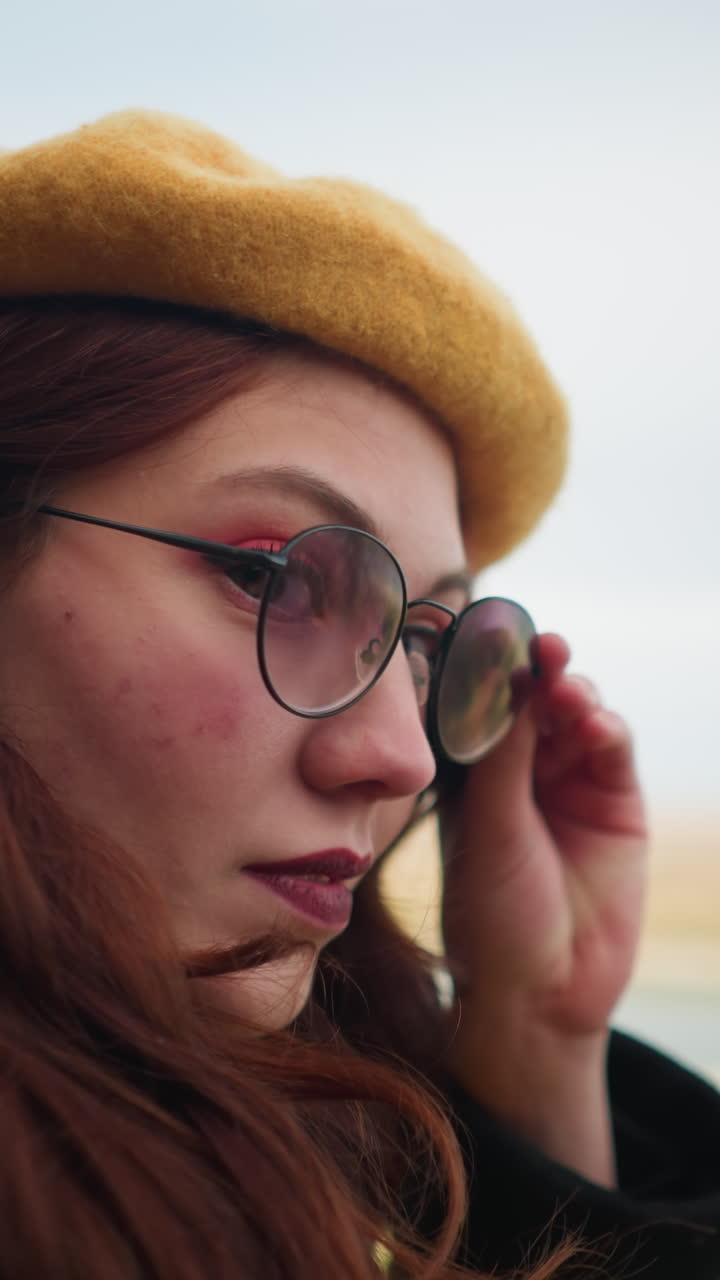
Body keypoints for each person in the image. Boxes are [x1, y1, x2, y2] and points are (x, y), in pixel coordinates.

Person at [0, 111, 718, 1280]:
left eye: (426, 645)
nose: (407, 755)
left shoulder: (329, 1133)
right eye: (274, 578)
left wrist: (537, 1039)